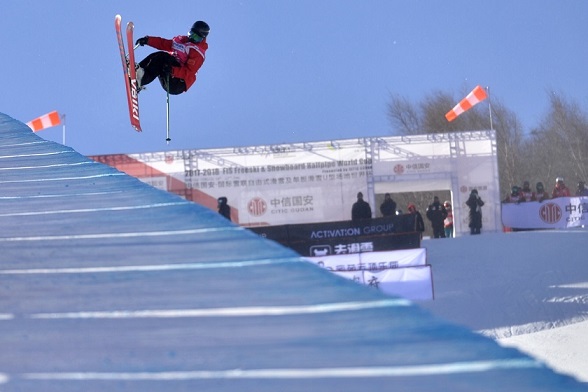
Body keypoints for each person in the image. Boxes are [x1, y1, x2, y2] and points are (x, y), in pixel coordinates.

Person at [134, 21, 209, 95]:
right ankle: (137, 72)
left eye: (197, 38)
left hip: (178, 83)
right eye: (192, 34)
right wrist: (148, 40)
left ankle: (141, 78)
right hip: (170, 73)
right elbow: (163, 43)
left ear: (202, 39)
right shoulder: (182, 41)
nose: (192, 38)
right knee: (157, 57)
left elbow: (189, 72)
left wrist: (172, 70)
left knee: (162, 57)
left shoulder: (197, 53)